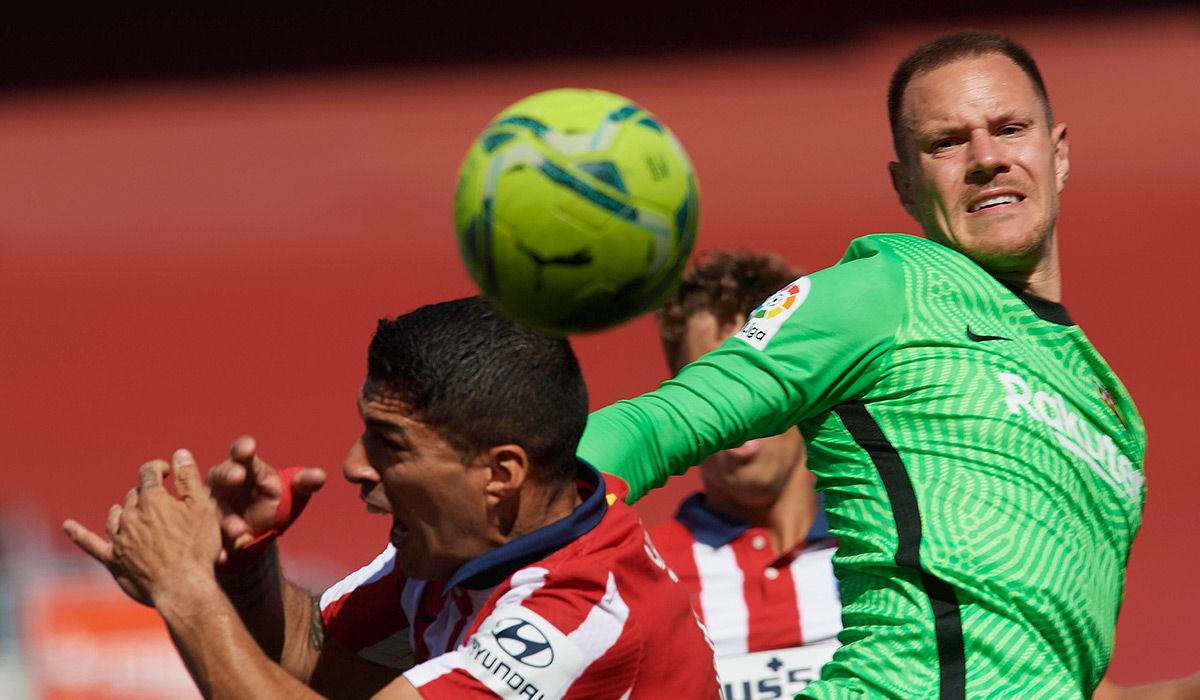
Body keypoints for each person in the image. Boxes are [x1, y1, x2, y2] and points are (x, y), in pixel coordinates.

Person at [577, 32, 1147, 698]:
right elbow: (655, 425)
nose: (986, 158)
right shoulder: (885, 290)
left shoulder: (1113, 411)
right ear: (904, 185)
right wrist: (495, 557)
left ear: (1058, 151)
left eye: (1009, 128)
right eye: (946, 143)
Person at [63, 296, 721, 699]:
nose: (354, 466)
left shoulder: (578, 621)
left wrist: (184, 589)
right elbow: (305, 656)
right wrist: (241, 560)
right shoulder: (473, 545)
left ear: (502, 473)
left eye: (390, 443)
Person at [651, 251, 840, 653]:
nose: (736, 411)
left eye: (757, 378)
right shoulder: (643, 580)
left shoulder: (886, 544)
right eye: (707, 384)